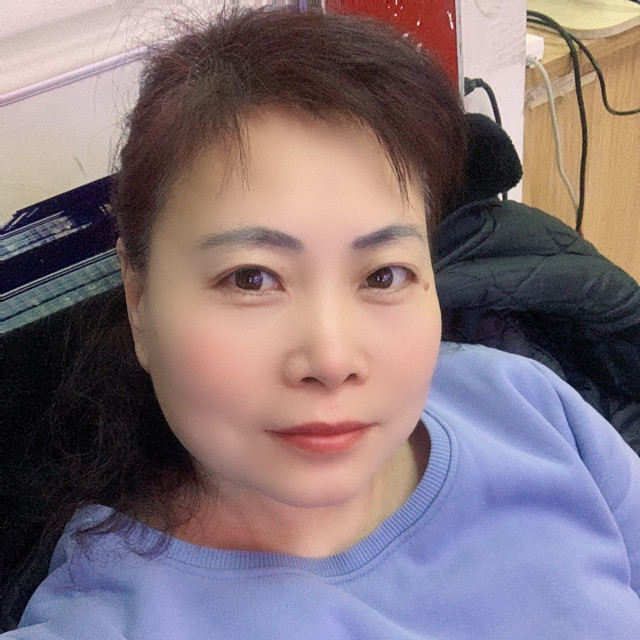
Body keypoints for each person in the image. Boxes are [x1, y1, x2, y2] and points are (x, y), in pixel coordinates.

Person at [4, 6, 639, 639]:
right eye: (251, 279)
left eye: (383, 275)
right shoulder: (105, 622)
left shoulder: (525, 405)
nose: (332, 360)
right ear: (139, 298)